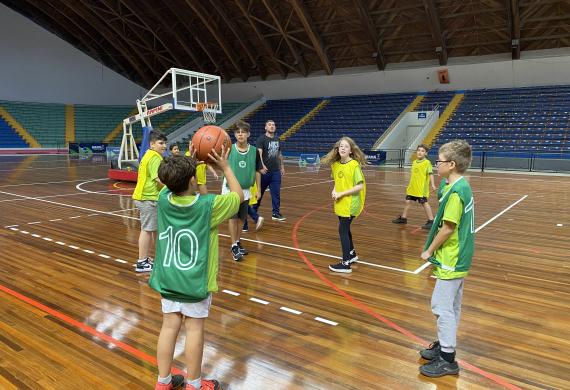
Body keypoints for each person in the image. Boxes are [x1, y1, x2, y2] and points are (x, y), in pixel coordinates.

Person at [150, 148, 243, 390]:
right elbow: (238, 195)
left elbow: (167, 182)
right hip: (195, 280)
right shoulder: (208, 206)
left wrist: (187, 162)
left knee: (169, 326)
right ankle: (194, 384)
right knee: (194, 329)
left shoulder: (162, 199)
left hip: (168, 278)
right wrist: (226, 167)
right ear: (193, 180)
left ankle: (163, 382)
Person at [419, 140, 475, 378]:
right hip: (459, 257)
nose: (435, 164)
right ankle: (444, 344)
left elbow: (447, 228)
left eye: (439, 161)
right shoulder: (459, 185)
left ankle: (448, 359)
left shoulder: (456, 193)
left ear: (451, 164)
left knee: (442, 307)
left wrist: (429, 251)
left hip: (452, 257)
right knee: (451, 306)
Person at [321, 137, 367, 273]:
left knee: (342, 230)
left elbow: (360, 186)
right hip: (341, 203)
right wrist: (334, 190)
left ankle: (345, 263)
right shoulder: (335, 165)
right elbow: (337, 181)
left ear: (351, 151)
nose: (343, 148)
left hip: (351, 204)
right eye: (341, 146)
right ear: (337, 149)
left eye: (346, 147)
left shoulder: (354, 165)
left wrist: (341, 194)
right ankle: (352, 254)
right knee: (345, 229)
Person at [223, 121, 263, 261]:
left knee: (242, 218)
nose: (240, 134)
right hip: (231, 190)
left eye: (243, 132)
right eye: (237, 132)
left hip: (246, 189)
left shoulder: (254, 151)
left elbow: (258, 171)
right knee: (233, 218)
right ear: (234, 135)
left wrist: (258, 189)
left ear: (248, 134)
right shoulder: (229, 149)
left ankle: (238, 242)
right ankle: (233, 245)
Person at [132, 131, 167, 273]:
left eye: (165, 143)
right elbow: (158, 178)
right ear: (152, 144)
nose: (164, 146)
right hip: (147, 198)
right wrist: (175, 186)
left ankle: (146, 259)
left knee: (151, 229)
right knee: (147, 230)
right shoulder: (154, 157)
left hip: (145, 197)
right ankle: (141, 262)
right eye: (161, 143)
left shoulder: (148, 154)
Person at [393, 144, 436, 229]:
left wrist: (433, 185)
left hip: (421, 189)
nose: (420, 152)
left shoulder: (427, 163)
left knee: (424, 203)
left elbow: (430, 174)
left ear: (426, 153)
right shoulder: (414, 162)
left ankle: (431, 221)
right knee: (408, 201)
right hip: (412, 188)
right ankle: (404, 218)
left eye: (422, 151)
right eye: (419, 150)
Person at [255, 119, 286, 221]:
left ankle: (275, 213)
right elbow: (259, 153)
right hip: (264, 172)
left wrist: (282, 167)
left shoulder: (277, 139)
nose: (272, 126)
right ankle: (253, 211)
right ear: (265, 127)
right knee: (260, 193)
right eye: (269, 125)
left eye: (273, 125)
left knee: (276, 193)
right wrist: (262, 166)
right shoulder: (261, 139)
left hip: (276, 171)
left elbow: (279, 154)